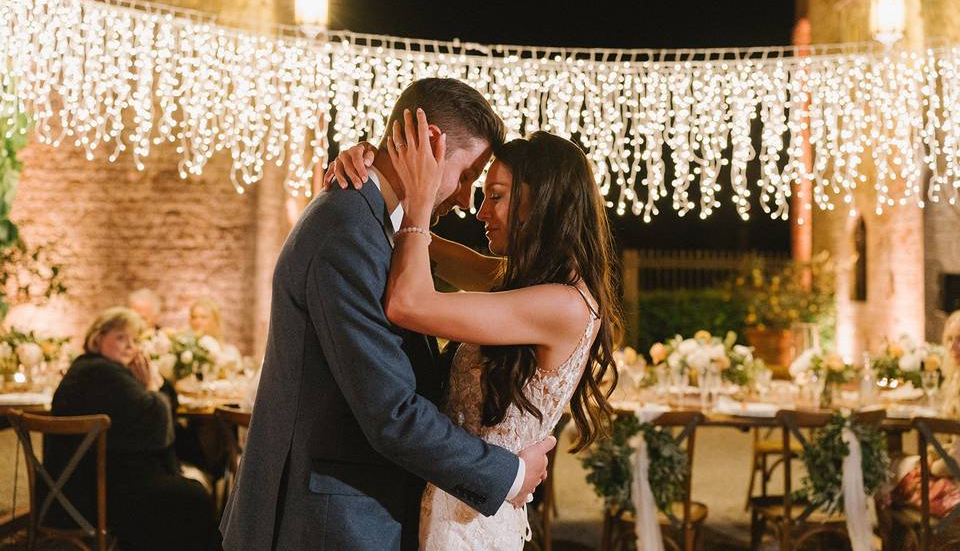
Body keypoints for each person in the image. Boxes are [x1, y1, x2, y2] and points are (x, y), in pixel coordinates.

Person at [220, 78, 556, 551]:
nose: (466, 200)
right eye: (465, 177)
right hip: (329, 522)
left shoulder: (373, 226)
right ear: (428, 143)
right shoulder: (348, 232)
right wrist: (508, 474)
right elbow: (391, 412)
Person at [331, 116, 622, 549]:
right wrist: (375, 173)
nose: (479, 210)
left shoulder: (562, 305)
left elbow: (407, 303)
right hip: (453, 497)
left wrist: (420, 198)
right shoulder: (520, 282)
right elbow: (414, 241)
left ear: (543, 203)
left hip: (470, 523)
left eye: (497, 197)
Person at [47, 307, 220, 551]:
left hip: (83, 486)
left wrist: (153, 387)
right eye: (121, 337)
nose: (130, 346)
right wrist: (150, 384)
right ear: (98, 338)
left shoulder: (94, 369)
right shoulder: (102, 373)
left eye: (134, 340)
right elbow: (161, 431)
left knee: (187, 490)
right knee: (193, 495)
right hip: (92, 495)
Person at [891, 310, 960, 517]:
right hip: (952, 468)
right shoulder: (955, 378)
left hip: (955, 485)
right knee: (896, 467)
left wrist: (930, 466)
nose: (952, 347)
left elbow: (956, 462)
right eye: (949, 339)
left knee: (889, 472)